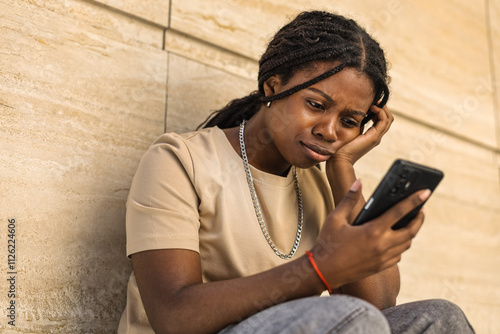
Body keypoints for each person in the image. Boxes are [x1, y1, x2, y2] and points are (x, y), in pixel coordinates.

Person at [118, 11, 475, 334]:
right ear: (273, 86)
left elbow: (379, 307)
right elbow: (173, 316)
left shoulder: (322, 183)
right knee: (351, 317)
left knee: (441, 318)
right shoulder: (180, 160)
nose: (330, 131)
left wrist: (342, 168)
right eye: (316, 105)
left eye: (349, 122)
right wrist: (319, 269)